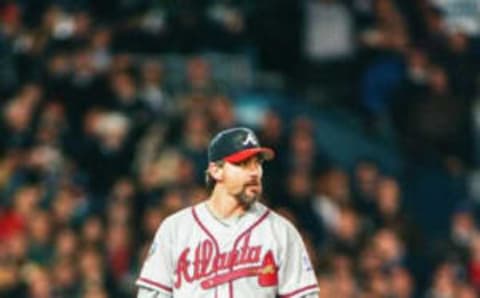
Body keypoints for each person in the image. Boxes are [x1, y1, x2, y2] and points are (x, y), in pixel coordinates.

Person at [136, 127, 319, 297]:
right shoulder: (176, 229)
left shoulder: (280, 231)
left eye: (257, 163)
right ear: (216, 171)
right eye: (243, 164)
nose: (254, 172)